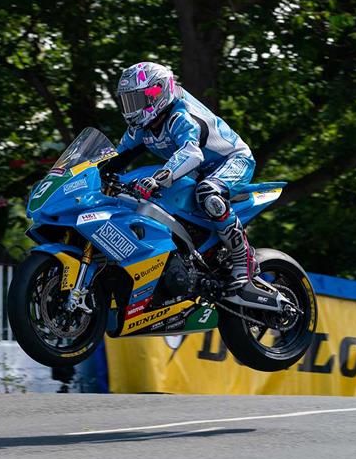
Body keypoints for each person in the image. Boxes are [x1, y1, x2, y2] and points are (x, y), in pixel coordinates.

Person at [103, 61, 257, 302]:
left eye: (136, 100)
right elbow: (114, 158)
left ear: (157, 93)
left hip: (232, 161)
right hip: (194, 170)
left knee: (208, 193)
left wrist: (158, 178)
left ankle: (243, 259)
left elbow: (192, 153)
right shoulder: (141, 128)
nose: (130, 108)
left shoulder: (180, 115)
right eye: (127, 101)